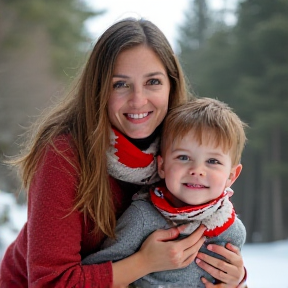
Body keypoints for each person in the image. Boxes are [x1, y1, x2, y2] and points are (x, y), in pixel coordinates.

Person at [0, 17, 246, 288]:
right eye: (120, 84)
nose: (138, 100)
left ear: (171, 86)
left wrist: (234, 280)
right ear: (99, 90)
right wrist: (144, 263)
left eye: (153, 82)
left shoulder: (183, 150)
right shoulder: (64, 155)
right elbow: (50, 283)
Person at [83, 98, 248, 287]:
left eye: (213, 161)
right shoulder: (142, 218)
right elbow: (98, 275)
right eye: (183, 157)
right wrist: (142, 263)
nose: (197, 170)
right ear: (162, 166)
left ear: (232, 175)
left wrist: (237, 283)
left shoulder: (232, 231)